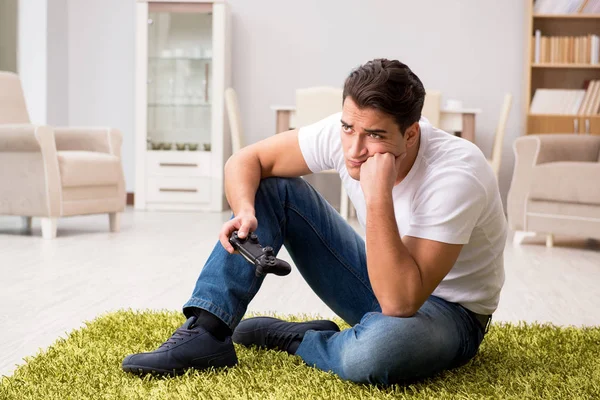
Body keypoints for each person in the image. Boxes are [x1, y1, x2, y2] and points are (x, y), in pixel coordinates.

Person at [122, 58, 506, 385]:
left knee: (376, 354)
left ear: (410, 134)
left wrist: (376, 197)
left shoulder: (457, 174)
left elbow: (401, 302)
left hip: (450, 313)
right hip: (379, 280)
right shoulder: (347, 133)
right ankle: (206, 332)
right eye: (348, 128)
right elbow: (246, 160)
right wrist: (245, 210)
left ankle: (298, 340)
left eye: (374, 135)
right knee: (273, 187)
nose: (354, 150)